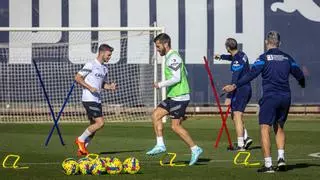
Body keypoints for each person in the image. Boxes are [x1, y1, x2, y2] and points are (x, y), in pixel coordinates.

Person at [223, 31, 305, 173]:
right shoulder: (287, 58)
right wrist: (302, 82)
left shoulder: (263, 58)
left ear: (267, 42)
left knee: (264, 128)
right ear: (279, 43)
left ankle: (268, 165)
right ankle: (281, 159)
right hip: (285, 97)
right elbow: (299, 74)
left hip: (270, 97)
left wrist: (235, 85)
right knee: (279, 127)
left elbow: (251, 74)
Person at [146, 33, 203, 166]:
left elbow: (177, 78)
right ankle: (160, 145)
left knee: (175, 127)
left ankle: (195, 149)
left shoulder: (173, 58)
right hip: (173, 96)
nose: (157, 49)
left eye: (158, 46)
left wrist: (160, 84)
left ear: (166, 44)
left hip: (180, 97)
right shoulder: (170, 57)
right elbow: (185, 73)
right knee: (155, 115)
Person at [74, 44, 117, 156]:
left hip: (97, 99)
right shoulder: (90, 64)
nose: (109, 57)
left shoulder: (104, 68)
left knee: (94, 126)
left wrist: (110, 87)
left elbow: (102, 84)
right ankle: (80, 139)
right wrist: (89, 87)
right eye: (108, 55)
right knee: (100, 123)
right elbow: (78, 78)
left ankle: (82, 150)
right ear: (102, 53)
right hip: (89, 98)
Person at [214, 38, 253, 151]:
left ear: (227, 48)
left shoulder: (236, 61)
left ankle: (241, 145)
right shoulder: (241, 54)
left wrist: (229, 96)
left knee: (237, 115)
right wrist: (219, 57)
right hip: (243, 89)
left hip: (241, 90)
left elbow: (234, 79)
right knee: (234, 116)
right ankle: (246, 137)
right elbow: (231, 57)